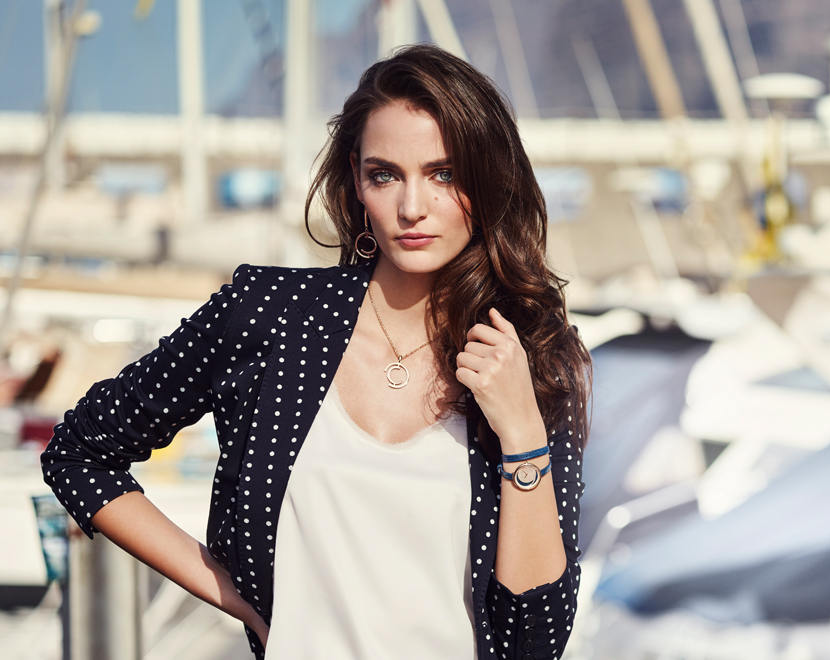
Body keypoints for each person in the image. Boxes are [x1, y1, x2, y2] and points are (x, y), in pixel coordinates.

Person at [41, 44, 592, 660]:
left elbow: (536, 639)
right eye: (385, 175)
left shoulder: (533, 353)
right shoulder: (271, 314)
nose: (412, 207)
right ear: (356, 180)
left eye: (444, 174)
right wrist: (236, 597)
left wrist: (521, 431)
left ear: (488, 180)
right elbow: (79, 454)